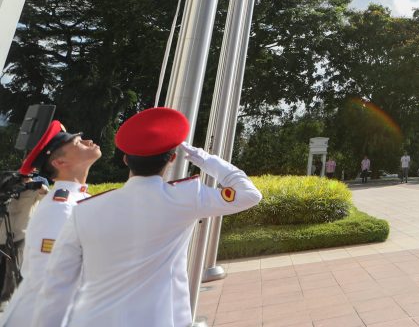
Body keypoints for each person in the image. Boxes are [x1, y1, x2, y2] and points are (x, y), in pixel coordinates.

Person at [30, 108, 261, 327]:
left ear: (125, 160)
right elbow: (249, 194)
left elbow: (56, 282)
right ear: (172, 158)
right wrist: (199, 156)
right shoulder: (185, 198)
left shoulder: (84, 210)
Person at [1, 122, 101, 327]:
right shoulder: (60, 209)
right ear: (60, 162)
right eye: (78, 142)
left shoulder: (77, 200)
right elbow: (50, 283)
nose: (88, 141)